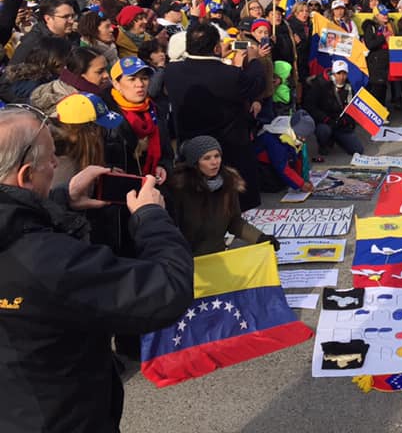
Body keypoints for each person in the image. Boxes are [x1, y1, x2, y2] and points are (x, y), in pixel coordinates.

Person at [0, 105, 193, 433]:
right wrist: (151, 218)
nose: (57, 163)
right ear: (26, 176)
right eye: (50, 158)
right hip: (62, 416)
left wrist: (59, 200)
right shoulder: (46, 260)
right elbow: (166, 290)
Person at [164, 23, 266, 210]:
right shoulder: (230, 75)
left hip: (190, 146)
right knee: (231, 202)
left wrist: (221, 58)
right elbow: (256, 83)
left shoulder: (172, 71)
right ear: (216, 47)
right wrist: (253, 60)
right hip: (229, 147)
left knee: (198, 202)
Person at [168, 136, 278, 256]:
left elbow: (234, 222)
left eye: (217, 156)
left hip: (216, 257)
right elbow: (170, 230)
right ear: (195, 162)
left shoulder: (228, 184)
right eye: (207, 158)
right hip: (187, 259)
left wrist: (260, 238)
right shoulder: (180, 189)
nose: (214, 162)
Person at [302, 60, 364, 157]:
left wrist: (345, 121)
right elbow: (310, 106)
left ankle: (337, 138)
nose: (341, 77)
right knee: (323, 131)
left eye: (344, 74)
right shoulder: (320, 84)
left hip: (340, 123)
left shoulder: (348, 86)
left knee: (357, 149)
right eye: (339, 73)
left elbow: (352, 107)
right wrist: (325, 119)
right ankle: (324, 144)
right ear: (333, 73)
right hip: (324, 121)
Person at [30, 47, 110, 115]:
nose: (106, 75)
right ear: (80, 74)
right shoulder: (69, 108)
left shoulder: (103, 90)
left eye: (106, 69)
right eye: (100, 71)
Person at [253, 111, 316, 194]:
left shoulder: (293, 133)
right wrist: (301, 184)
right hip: (261, 164)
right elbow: (281, 166)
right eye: (302, 137)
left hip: (276, 160)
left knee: (289, 179)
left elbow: (298, 158)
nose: (304, 140)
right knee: (276, 186)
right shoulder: (276, 139)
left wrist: (303, 179)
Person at [10, 0, 76, 65]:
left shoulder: (74, 36)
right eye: (65, 17)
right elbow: (12, 71)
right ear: (48, 18)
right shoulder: (34, 42)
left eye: (72, 16)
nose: (71, 21)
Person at [361, 5, 393, 106]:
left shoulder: (389, 26)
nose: (386, 16)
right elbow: (370, 44)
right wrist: (383, 37)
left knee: (383, 87)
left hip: (386, 60)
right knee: (377, 88)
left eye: (386, 13)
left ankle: (381, 111)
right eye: (383, 14)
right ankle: (375, 112)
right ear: (377, 15)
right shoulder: (371, 27)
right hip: (375, 61)